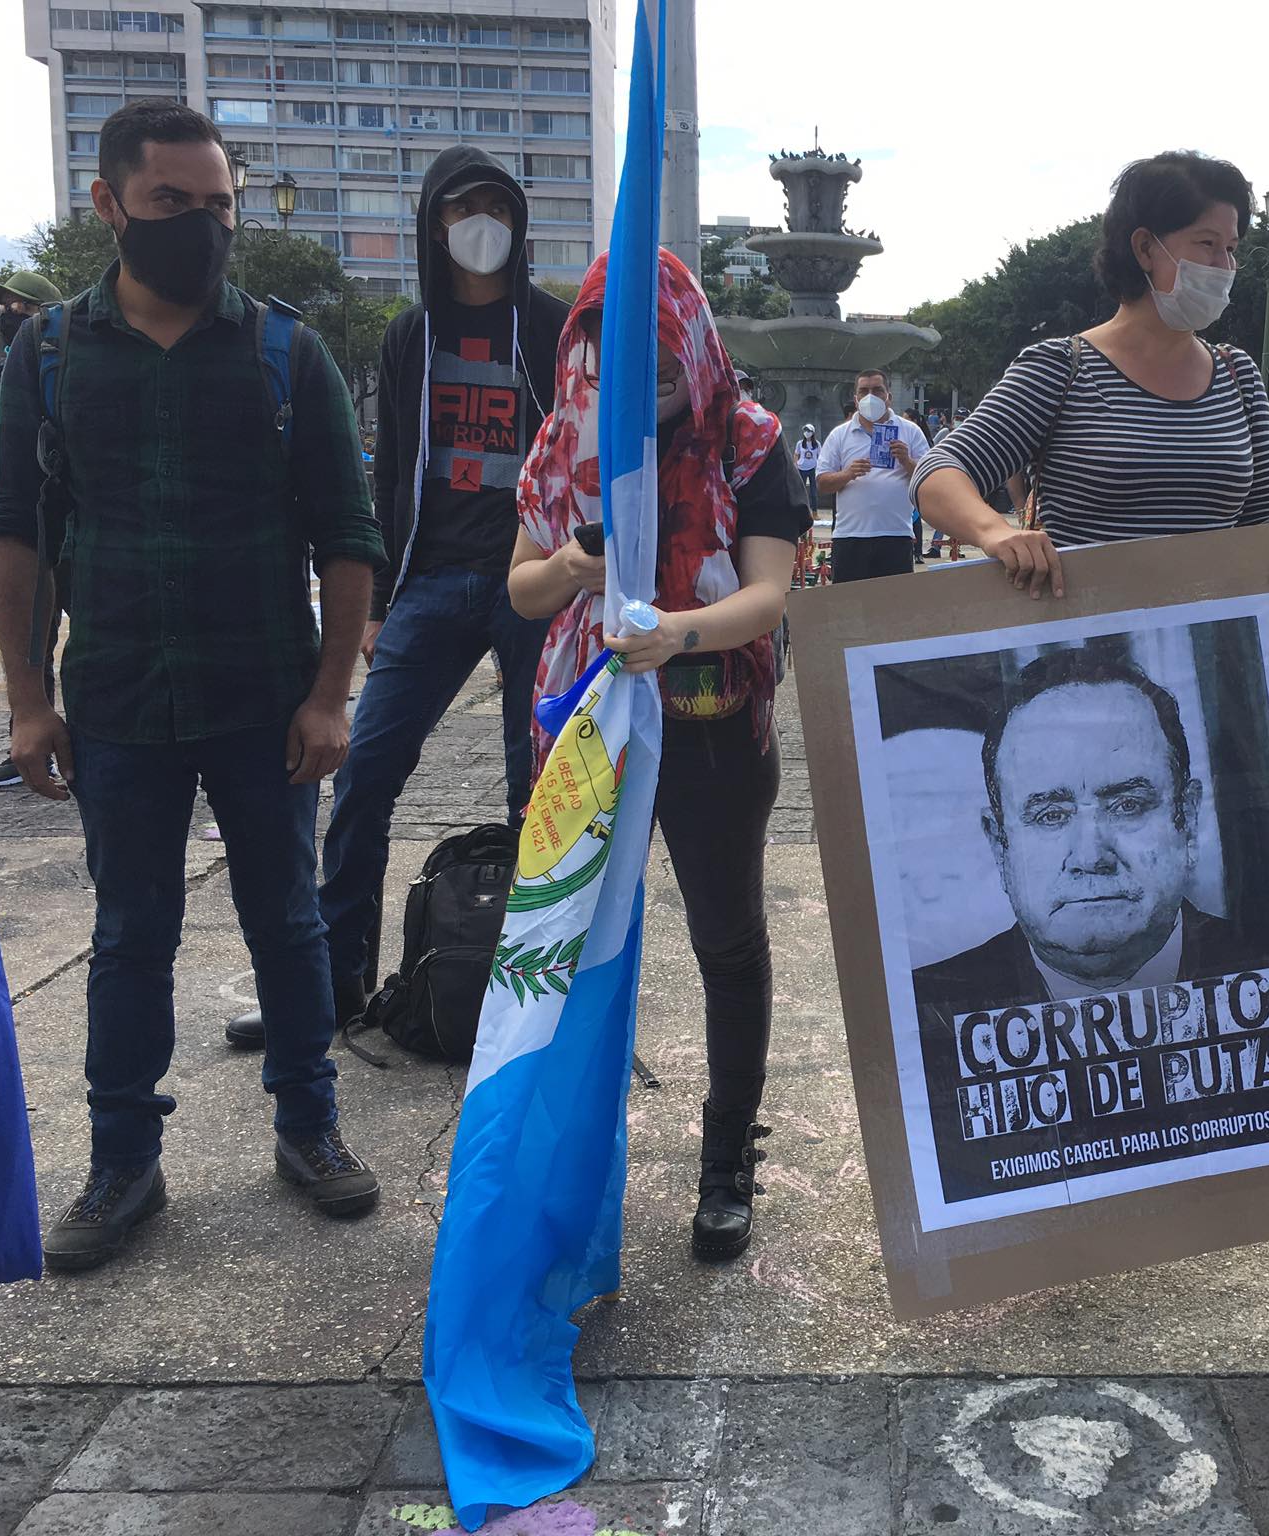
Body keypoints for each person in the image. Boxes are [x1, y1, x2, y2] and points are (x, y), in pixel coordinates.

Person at [0, 100, 388, 1269]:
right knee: (128, 933)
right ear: (108, 205)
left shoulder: (282, 350)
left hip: (264, 698)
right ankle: (123, 1162)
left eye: (220, 206)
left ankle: (309, 1128)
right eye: (174, 204)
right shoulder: (48, 352)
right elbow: (18, 536)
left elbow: (346, 536)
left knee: (290, 924)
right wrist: (25, 701)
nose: (204, 228)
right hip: (115, 699)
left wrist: (328, 696)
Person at [223, 147, 570, 1051]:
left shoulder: (556, 327)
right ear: (435, 224)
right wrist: (377, 599)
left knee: (539, 790)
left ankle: (533, 994)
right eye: (464, 208)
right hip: (432, 578)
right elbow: (386, 480)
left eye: (498, 204)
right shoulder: (411, 335)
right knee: (364, 775)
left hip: (532, 584)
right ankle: (334, 985)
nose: (483, 222)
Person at [508, 248, 808, 1262]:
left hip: (710, 719)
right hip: (583, 730)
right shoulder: (564, 441)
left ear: (692, 333)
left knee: (725, 938)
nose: (641, 370)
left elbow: (766, 597)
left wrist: (678, 628)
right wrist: (569, 565)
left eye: (657, 348)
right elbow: (520, 590)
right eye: (611, 348)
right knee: (569, 942)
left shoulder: (748, 442)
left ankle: (726, 1159)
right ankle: (558, 1166)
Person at [910, 151, 1269, 599]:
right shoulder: (1061, 368)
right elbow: (937, 472)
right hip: (1087, 650)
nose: (1224, 267)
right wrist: (994, 531)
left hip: (1211, 652)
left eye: (1232, 249)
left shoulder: (1237, 374)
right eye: (1206, 244)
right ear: (1145, 247)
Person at [911, 646, 1262, 1023]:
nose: (1090, 857)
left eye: (1127, 805)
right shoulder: (922, 1014)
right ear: (999, 845)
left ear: (1187, 819)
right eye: (1050, 815)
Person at [0, 270, 66, 790]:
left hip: (73, 522)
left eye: (22, 307)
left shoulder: (66, 358)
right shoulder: (1, 376)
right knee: (31, 641)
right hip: (22, 526)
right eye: (4, 306)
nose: (10, 314)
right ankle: (28, 740)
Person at [815, 369, 927, 580]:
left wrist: (907, 461)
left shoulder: (910, 431)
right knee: (848, 607)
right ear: (856, 400)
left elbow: (930, 480)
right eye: (864, 391)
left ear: (888, 397)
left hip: (895, 535)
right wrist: (847, 474)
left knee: (893, 607)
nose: (870, 397)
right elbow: (822, 483)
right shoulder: (840, 435)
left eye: (877, 390)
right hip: (850, 537)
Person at [793, 422, 821, 513]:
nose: (806, 432)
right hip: (802, 468)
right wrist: (796, 464)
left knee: (813, 491)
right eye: (805, 430)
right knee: (802, 491)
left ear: (812, 432)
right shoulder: (800, 443)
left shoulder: (817, 444)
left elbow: (820, 456)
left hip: (813, 468)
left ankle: (814, 512)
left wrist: (820, 468)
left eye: (808, 430)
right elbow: (796, 454)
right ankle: (803, 511)